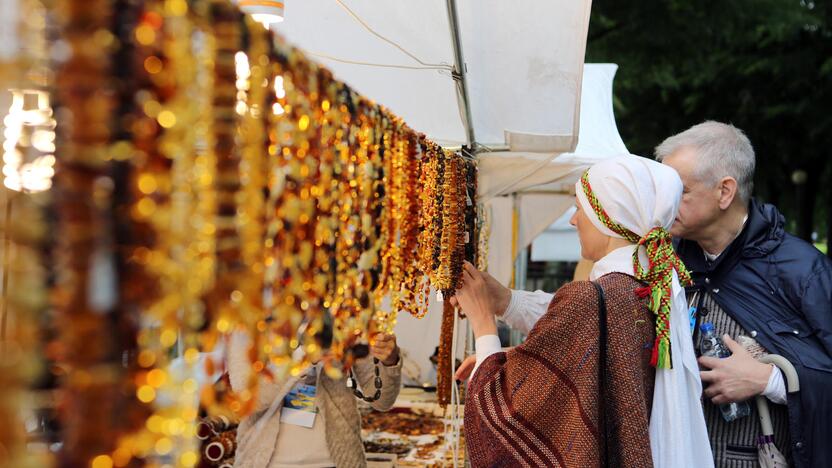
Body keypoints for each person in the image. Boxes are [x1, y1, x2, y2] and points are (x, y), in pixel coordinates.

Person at [455, 156, 713, 467]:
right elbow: (584, 342)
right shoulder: (647, 287)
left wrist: (483, 324)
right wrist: (507, 301)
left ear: (608, 217)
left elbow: (501, 415)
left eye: (580, 208)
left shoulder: (597, 295)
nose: (573, 220)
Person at [655, 121, 832, 468]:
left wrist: (769, 380)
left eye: (679, 191)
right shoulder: (663, 262)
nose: (664, 202)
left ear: (725, 191)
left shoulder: (804, 271)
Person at [227, 331, 402, 468]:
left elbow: (382, 400)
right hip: (266, 462)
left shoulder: (345, 312)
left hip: (338, 461)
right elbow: (248, 400)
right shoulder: (252, 316)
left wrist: (389, 361)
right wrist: (303, 358)